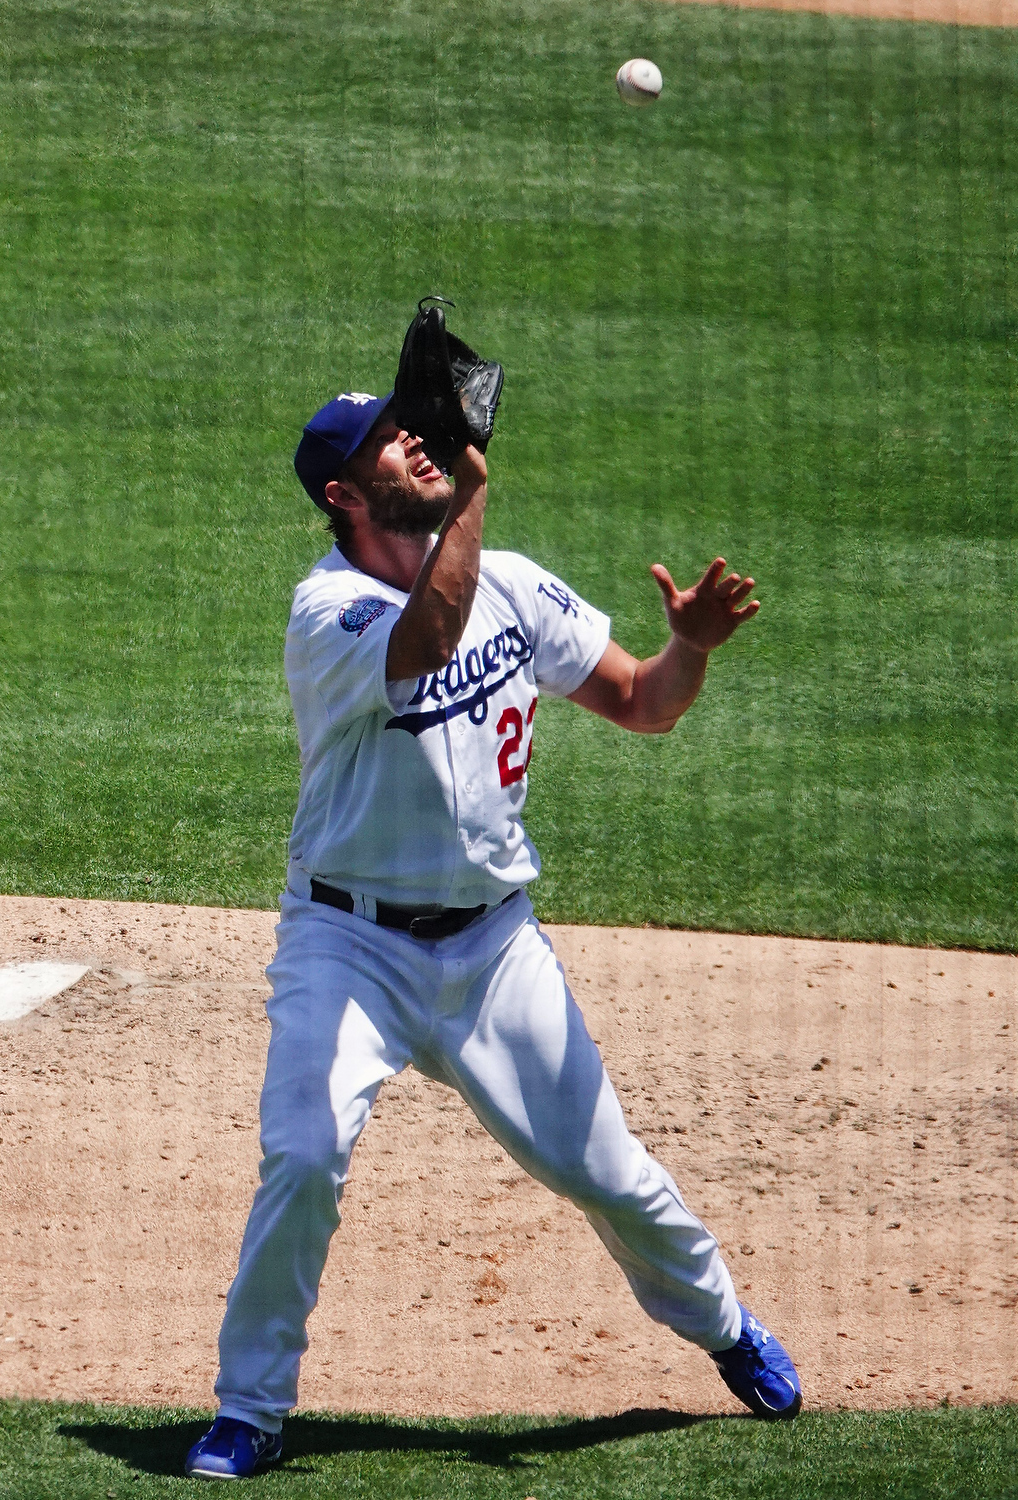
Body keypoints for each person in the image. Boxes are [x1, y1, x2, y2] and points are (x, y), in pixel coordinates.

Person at [184, 389, 801, 1480]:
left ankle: (724, 1329)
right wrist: (469, 495)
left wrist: (688, 648)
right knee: (304, 1153)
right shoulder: (327, 611)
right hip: (349, 945)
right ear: (341, 492)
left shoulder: (510, 583)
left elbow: (641, 704)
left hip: (491, 949)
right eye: (389, 442)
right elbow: (425, 638)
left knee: (606, 1173)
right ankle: (249, 1409)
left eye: (414, 433)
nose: (415, 444)